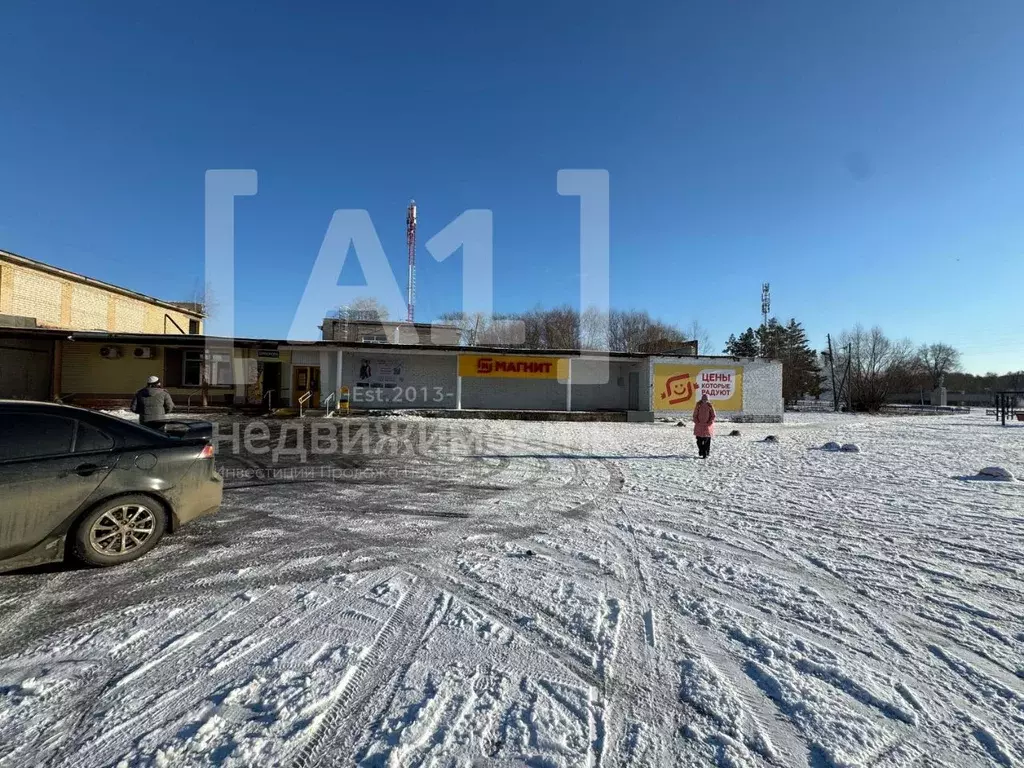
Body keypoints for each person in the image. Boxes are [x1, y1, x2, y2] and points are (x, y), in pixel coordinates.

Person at [692, 392, 716, 459]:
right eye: (703, 399)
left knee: (706, 440)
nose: (704, 401)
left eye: (706, 399)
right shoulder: (698, 405)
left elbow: (713, 416)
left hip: (707, 426)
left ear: (708, 400)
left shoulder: (710, 406)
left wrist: (710, 423)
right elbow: (695, 415)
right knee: (699, 440)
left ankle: (705, 453)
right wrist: (696, 422)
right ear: (701, 399)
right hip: (699, 425)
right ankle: (701, 450)